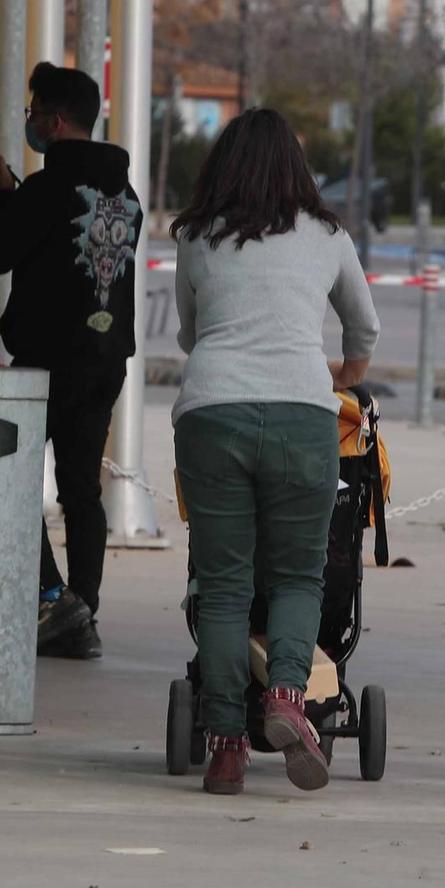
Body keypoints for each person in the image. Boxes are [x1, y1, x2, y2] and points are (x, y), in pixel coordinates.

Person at [171, 108, 379, 797]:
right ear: (296, 165)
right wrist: (344, 375)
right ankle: (289, 699)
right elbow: (364, 326)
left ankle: (226, 744)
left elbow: (192, 336)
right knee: (298, 578)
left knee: (225, 588)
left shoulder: (198, 237)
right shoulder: (327, 235)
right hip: (301, 416)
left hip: (212, 413)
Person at [0, 63, 143, 661]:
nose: (30, 124)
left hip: (45, 361)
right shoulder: (126, 194)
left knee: (14, 481)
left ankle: (54, 599)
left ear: (53, 119)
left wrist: (4, 199)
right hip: (105, 360)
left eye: (33, 113)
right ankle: (84, 612)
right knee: (80, 489)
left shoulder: (46, 190)